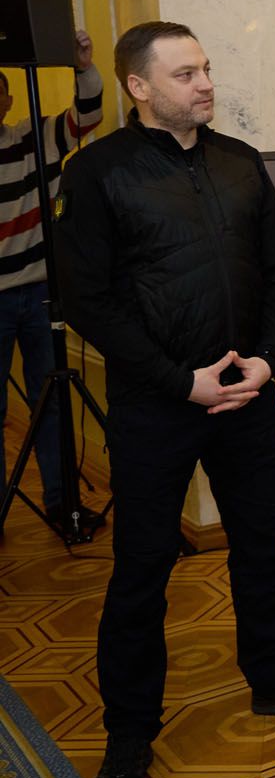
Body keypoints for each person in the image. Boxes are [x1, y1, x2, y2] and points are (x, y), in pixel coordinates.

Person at [55, 22, 275, 778]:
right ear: (139, 88)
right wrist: (177, 380)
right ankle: (129, 729)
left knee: (264, 544)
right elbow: (88, 297)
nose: (206, 84)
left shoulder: (240, 162)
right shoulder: (98, 174)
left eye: (207, 69)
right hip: (159, 404)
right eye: (186, 74)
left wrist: (261, 355)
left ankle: (274, 676)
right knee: (143, 568)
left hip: (246, 392)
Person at [0, 32, 104, 528]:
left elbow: (85, 117)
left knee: (52, 404)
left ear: (8, 98)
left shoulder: (29, 138)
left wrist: (83, 66)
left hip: (41, 293)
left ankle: (64, 506)